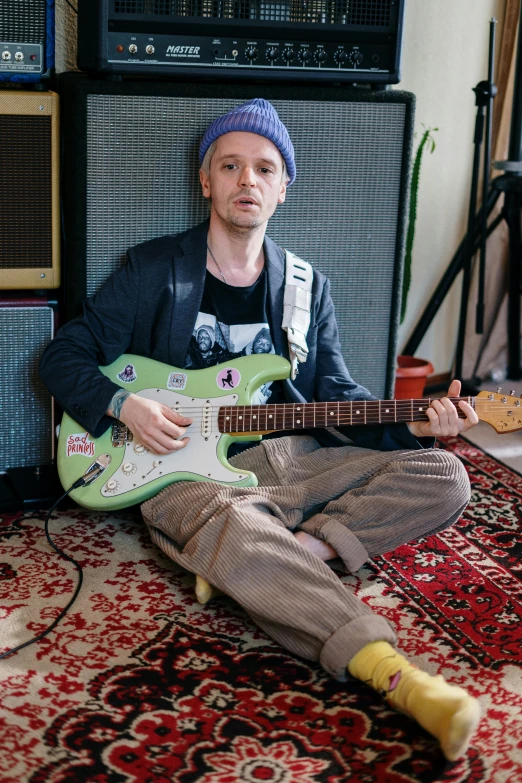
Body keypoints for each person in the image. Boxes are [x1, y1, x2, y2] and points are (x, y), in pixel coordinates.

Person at [40, 98, 482, 761]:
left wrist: (418, 422)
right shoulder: (152, 269)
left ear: (283, 187)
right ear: (207, 180)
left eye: (264, 168)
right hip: (185, 471)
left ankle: (298, 553)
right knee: (237, 523)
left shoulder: (307, 287)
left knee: (447, 475)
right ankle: (395, 673)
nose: (248, 180)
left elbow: (337, 397)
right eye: (231, 165)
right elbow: (61, 357)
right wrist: (126, 407)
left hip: (293, 456)